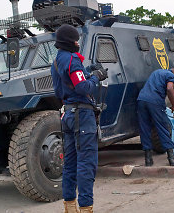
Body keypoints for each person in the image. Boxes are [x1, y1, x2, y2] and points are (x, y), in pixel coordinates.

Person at [51, 24, 108, 213]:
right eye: (76, 40)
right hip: (82, 116)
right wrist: (96, 77)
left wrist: (88, 70)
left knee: (70, 165)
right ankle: (86, 208)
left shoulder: (58, 61)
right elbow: (83, 88)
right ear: (70, 41)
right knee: (86, 165)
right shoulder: (72, 59)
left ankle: (70, 207)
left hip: (67, 114)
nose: (77, 43)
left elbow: (70, 82)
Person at [137, 66, 174, 167]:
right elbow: (170, 88)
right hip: (155, 101)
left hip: (141, 100)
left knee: (144, 128)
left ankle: (148, 160)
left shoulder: (156, 72)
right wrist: (173, 105)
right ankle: (171, 159)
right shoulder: (171, 76)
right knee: (162, 127)